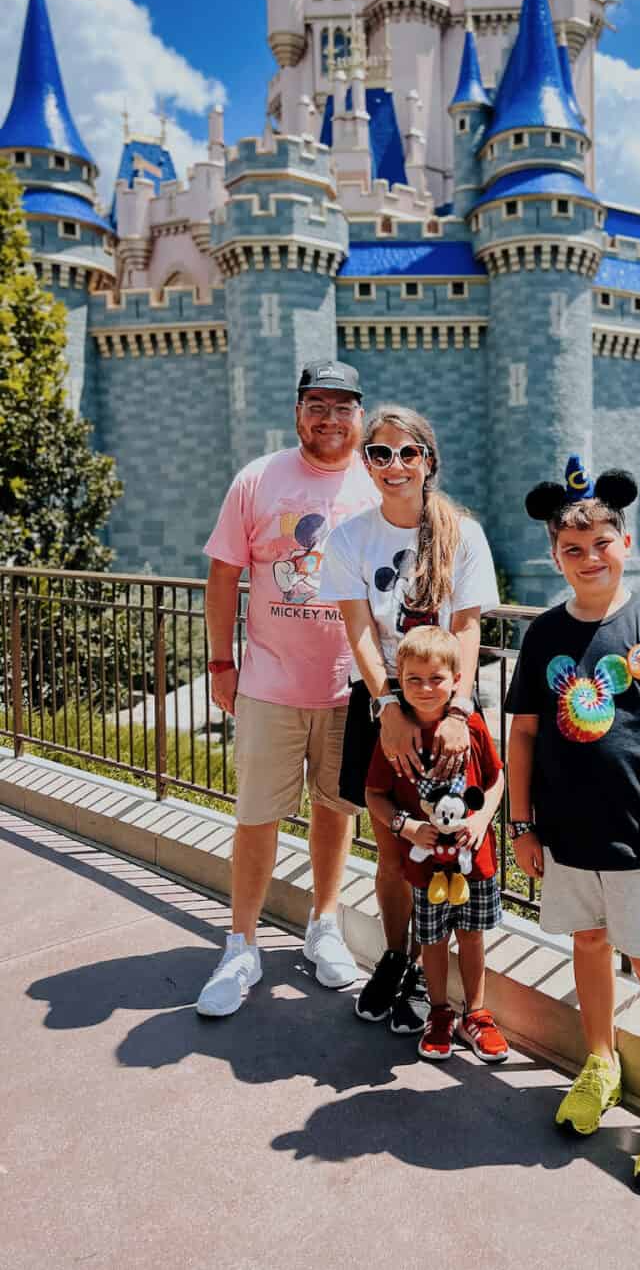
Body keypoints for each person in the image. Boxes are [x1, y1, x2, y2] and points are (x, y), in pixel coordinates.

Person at [504, 457, 640, 1190]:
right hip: (566, 837)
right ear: (555, 557)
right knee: (589, 944)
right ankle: (600, 1059)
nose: (589, 557)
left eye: (602, 542)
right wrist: (521, 823)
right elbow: (527, 734)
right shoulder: (543, 636)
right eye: (573, 548)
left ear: (624, 543)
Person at [196, 360, 379, 1017]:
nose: (329, 418)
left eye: (342, 406)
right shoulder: (258, 479)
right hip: (270, 682)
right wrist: (222, 663)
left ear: (360, 414)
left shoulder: (376, 482)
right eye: (317, 404)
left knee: (335, 809)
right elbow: (222, 578)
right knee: (257, 815)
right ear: (298, 409)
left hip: (348, 686)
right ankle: (240, 940)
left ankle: (323, 922)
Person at [321, 406, 500, 1033]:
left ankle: (447, 985)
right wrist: (388, 704)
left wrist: (455, 710)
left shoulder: (464, 536)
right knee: (394, 850)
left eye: (407, 453)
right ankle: (399, 960)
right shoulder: (349, 539)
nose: (394, 466)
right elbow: (360, 631)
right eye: (379, 454)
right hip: (385, 706)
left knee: (451, 847)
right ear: (365, 463)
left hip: (449, 713)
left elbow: (469, 627)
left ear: (428, 460)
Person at [366, 626, 508, 1063]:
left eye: (437, 679)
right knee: (432, 940)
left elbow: (496, 779)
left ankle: (477, 1013)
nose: (426, 689)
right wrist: (406, 828)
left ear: (456, 679)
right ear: (398, 680)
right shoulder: (394, 737)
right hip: (425, 867)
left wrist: (483, 819)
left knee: (471, 936)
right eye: (414, 680)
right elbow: (374, 794)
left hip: (473, 862)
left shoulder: (473, 728)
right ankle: (440, 1013)